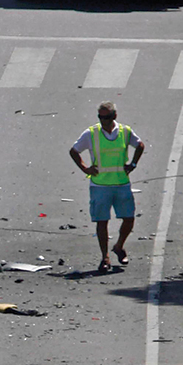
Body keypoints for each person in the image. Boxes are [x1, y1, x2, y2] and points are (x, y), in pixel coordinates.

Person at [69, 102, 145, 273]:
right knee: (102, 222)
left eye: (107, 117)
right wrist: (86, 169)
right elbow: (74, 151)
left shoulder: (124, 132)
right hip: (100, 185)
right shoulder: (91, 133)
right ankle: (105, 257)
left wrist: (133, 164)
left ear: (114, 116)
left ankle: (119, 246)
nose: (104, 121)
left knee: (128, 218)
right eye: (101, 117)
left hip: (121, 183)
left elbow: (139, 145)